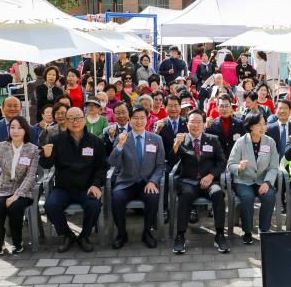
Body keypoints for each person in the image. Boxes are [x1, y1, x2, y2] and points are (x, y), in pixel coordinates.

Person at [40, 106, 107, 252]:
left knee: (94, 205)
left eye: (78, 118)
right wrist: (46, 155)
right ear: (66, 121)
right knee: (50, 206)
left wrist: (96, 184)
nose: (74, 121)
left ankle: (84, 236)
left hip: (86, 187)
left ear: (84, 119)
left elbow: (102, 167)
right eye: (70, 118)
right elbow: (46, 165)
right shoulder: (56, 140)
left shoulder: (95, 141)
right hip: (64, 188)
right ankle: (67, 235)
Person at [171, 109, 230, 254]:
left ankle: (220, 234)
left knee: (218, 194)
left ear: (204, 124)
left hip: (208, 181)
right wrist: (176, 145)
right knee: (185, 195)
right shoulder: (181, 139)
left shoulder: (212, 139)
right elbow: (171, 161)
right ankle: (180, 235)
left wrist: (210, 176)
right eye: (192, 122)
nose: (195, 125)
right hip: (188, 181)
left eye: (199, 122)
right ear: (187, 124)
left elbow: (222, 162)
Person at [0, 116, 40, 255]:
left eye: (19, 128)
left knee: (15, 207)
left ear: (25, 130)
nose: (16, 131)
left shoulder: (33, 149)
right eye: (12, 127)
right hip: (3, 187)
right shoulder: (1, 146)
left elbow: (31, 176)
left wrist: (16, 195)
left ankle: (17, 243)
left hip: (23, 189)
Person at [108, 106, 165, 249]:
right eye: (135, 118)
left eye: (142, 118)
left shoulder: (156, 139)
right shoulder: (122, 138)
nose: (139, 121)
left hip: (147, 182)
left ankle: (147, 232)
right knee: (116, 199)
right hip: (126, 182)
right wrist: (119, 146)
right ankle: (121, 234)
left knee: (153, 197)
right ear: (130, 119)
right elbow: (112, 162)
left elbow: (160, 166)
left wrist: (153, 181)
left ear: (147, 119)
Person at [228, 113, 279, 242]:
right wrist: (238, 167)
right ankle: (248, 231)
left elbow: (273, 167)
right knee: (247, 197)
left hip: (262, 180)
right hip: (244, 180)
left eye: (264, 124)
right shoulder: (241, 142)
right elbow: (230, 164)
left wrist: (267, 182)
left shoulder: (270, 142)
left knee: (269, 196)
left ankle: (264, 229)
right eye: (259, 124)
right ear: (250, 126)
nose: (263, 127)